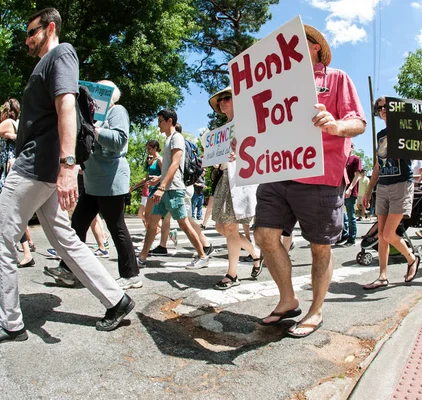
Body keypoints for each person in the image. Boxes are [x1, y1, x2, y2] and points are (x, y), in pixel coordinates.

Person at [0, 8, 134, 344]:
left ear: (50, 27)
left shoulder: (61, 54)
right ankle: (116, 300)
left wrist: (68, 166)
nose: (27, 40)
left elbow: (67, 105)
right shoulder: (46, 64)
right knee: (65, 239)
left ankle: (9, 322)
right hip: (43, 167)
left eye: (31, 32)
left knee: (1, 237)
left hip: (37, 166)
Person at [254, 25, 366, 337]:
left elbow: (358, 122)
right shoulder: (274, 84)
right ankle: (288, 300)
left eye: (297, 42)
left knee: (319, 246)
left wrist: (336, 126)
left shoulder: (337, 78)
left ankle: (316, 310)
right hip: (276, 172)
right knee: (264, 235)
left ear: (315, 47)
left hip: (320, 176)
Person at [44, 80, 141, 289]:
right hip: (92, 181)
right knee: (77, 224)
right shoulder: (87, 115)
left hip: (110, 180)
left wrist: (93, 130)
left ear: (111, 96)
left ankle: (131, 275)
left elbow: (119, 140)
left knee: (116, 227)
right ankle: (69, 269)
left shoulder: (117, 111)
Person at [137, 109, 209, 268]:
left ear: (170, 121)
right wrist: (160, 180)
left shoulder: (177, 138)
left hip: (173, 190)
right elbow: (169, 166)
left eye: (161, 121)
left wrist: (162, 187)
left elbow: (176, 164)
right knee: (152, 223)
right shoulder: (169, 139)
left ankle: (203, 255)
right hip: (165, 189)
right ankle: (142, 257)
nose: (158, 125)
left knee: (184, 224)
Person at [361, 96, 418, 290]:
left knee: (387, 234)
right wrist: (369, 190)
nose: (383, 109)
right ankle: (383, 276)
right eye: (380, 108)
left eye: (386, 106)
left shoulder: (404, 129)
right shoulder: (381, 135)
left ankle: (411, 258)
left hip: (401, 183)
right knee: (381, 236)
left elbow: (417, 149)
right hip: (383, 185)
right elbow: (378, 164)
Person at [207, 87, 261, 289]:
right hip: (224, 178)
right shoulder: (223, 129)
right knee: (221, 227)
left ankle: (232, 274)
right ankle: (255, 253)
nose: (222, 102)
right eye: (220, 100)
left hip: (239, 178)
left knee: (230, 227)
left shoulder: (247, 122)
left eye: (227, 98)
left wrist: (241, 155)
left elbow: (258, 147)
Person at [0, 99, 36, 267]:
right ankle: (24, 253)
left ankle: (12, 250)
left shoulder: (8, 123)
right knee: (9, 214)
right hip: (13, 172)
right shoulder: (17, 124)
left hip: (7, 175)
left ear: (6, 111)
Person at [131, 140, 162, 228]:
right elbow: (146, 178)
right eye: (147, 149)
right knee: (147, 216)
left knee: (149, 216)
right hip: (150, 190)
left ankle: (150, 238)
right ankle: (166, 233)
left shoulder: (160, 159)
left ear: (155, 148)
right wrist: (134, 186)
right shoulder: (152, 161)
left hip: (157, 190)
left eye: (149, 149)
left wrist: (157, 178)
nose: (148, 151)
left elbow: (166, 173)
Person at [336, 143, 362, 247]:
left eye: (349, 146)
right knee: (341, 214)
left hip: (350, 191)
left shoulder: (355, 159)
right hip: (340, 191)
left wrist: (350, 189)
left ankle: (352, 238)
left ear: (352, 147)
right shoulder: (343, 159)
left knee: (351, 215)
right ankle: (344, 234)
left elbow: (358, 175)